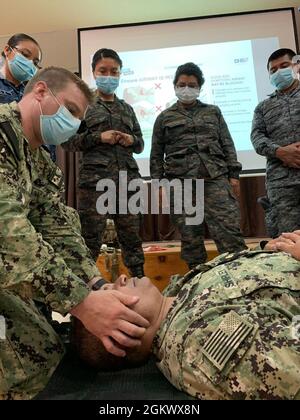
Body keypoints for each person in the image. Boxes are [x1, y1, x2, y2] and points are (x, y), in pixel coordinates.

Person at [0, 66, 149, 400]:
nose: (72, 123)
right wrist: (82, 304)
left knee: (44, 347)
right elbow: (10, 238)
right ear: (40, 92)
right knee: (21, 359)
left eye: (78, 118)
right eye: (69, 110)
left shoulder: (38, 159)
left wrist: (96, 284)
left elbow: (58, 229)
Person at [73, 232, 300, 400]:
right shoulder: (204, 341)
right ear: (123, 333)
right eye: (111, 292)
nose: (121, 278)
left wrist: (271, 248)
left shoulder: (178, 295)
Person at [150, 62, 246, 269]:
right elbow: (156, 155)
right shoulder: (164, 118)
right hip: (181, 185)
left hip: (215, 180)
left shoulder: (214, 112)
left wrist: (234, 176)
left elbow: (227, 144)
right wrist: (159, 187)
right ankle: (198, 287)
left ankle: (240, 282)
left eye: (192, 85)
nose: (187, 89)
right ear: (175, 86)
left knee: (231, 237)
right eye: (182, 84)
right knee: (191, 242)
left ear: (199, 87)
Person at [62, 48, 145, 278]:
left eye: (114, 71)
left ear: (120, 74)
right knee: (89, 242)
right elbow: (67, 142)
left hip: (127, 184)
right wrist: (99, 137)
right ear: (93, 72)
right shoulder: (81, 105)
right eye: (103, 71)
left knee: (133, 241)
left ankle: (141, 288)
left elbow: (140, 145)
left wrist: (131, 140)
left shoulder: (127, 109)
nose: (109, 75)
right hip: (95, 185)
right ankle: (85, 300)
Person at [251, 48, 300, 235]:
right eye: (273, 70)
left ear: (295, 66)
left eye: (284, 66)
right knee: (286, 238)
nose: (278, 72)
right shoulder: (262, 107)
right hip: (281, 182)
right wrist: (280, 151)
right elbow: (257, 137)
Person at [0, 33, 56, 162]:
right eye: (25, 55)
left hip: (32, 166)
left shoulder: (35, 91)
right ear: (7, 50)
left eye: (35, 62)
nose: (30, 63)